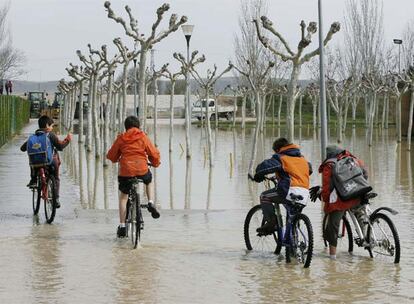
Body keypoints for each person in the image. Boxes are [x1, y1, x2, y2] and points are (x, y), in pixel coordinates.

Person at [310, 145, 368, 260]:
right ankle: (367, 238)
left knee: (333, 226)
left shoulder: (329, 165)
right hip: (358, 193)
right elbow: (364, 174)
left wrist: (323, 197)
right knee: (361, 215)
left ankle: (332, 258)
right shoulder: (353, 159)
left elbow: (328, 187)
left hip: (342, 200)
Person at [107, 116, 160, 238]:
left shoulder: (121, 138)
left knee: (123, 197)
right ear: (138, 126)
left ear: (126, 127)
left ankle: (122, 226)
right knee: (149, 181)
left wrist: (116, 159)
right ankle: (151, 202)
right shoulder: (143, 136)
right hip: (142, 168)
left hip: (126, 171)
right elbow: (153, 153)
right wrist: (156, 163)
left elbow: (111, 155)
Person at [251, 138, 312, 233]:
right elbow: (309, 170)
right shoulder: (302, 159)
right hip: (304, 193)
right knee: (292, 216)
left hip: (288, 190)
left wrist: (258, 175)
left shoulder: (281, 157)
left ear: (278, 149)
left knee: (264, 196)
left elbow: (265, 167)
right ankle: (292, 240)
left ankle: (272, 222)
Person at [20, 115, 72, 208]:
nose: (52, 128)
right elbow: (60, 146)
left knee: (33, 163)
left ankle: (33, 180)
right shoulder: (50, 135)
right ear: (47, 125)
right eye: (51, 126)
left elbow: (23, 148)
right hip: (51, 162)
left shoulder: (33, 137)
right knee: (56, 178)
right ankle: (56, 199)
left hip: (36, 165)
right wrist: (68, 139)